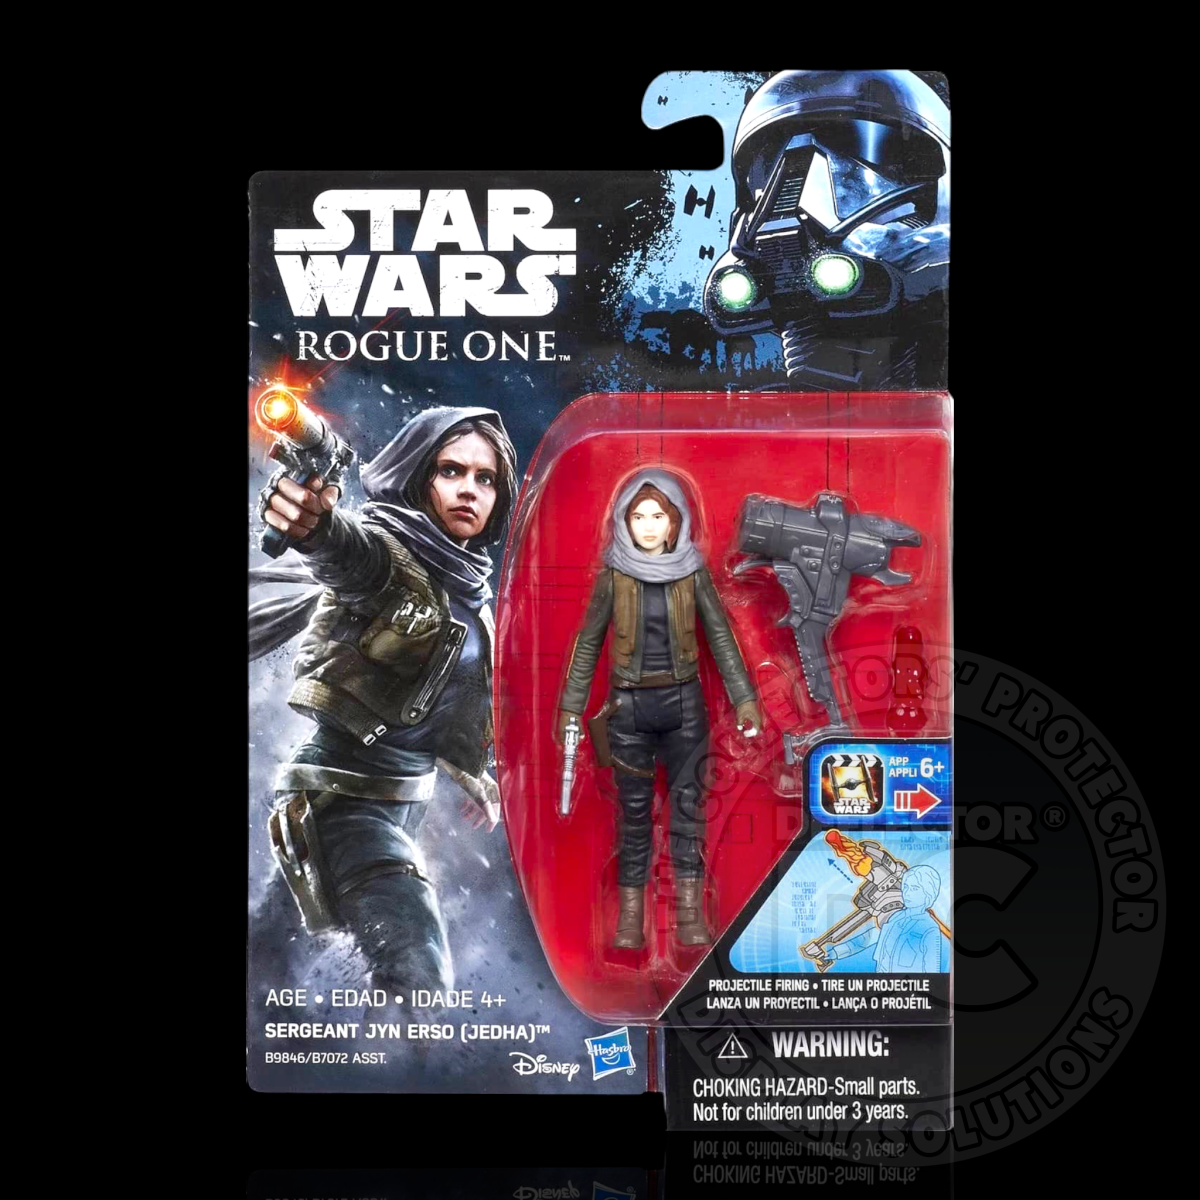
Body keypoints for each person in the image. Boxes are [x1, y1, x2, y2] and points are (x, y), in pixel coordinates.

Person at [249, 405, 517, 994]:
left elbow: (440, 698)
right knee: (418, 972)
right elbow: (348, 552)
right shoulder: (388, 557)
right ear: (421, 477)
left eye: (486, 478)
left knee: (267, 968)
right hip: (343, 803)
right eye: (451, 470)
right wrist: (315, 526)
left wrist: (472, 772)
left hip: (392, 810)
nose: (469, 489)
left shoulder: (473, 596)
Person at [556, 469, 761, 949]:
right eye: (638, 516)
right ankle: (630, 920)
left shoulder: (692, 573)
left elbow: (721, 638)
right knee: (632, 814)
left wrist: (745, 699)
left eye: (657, 516)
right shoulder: (613, 575)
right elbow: (587, 644)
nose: (647, 526)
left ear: (675, 521)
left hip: (684, 704)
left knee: (688, 811)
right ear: (624, 522)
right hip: (627, 708)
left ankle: (689, 915)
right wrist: (570, 709)